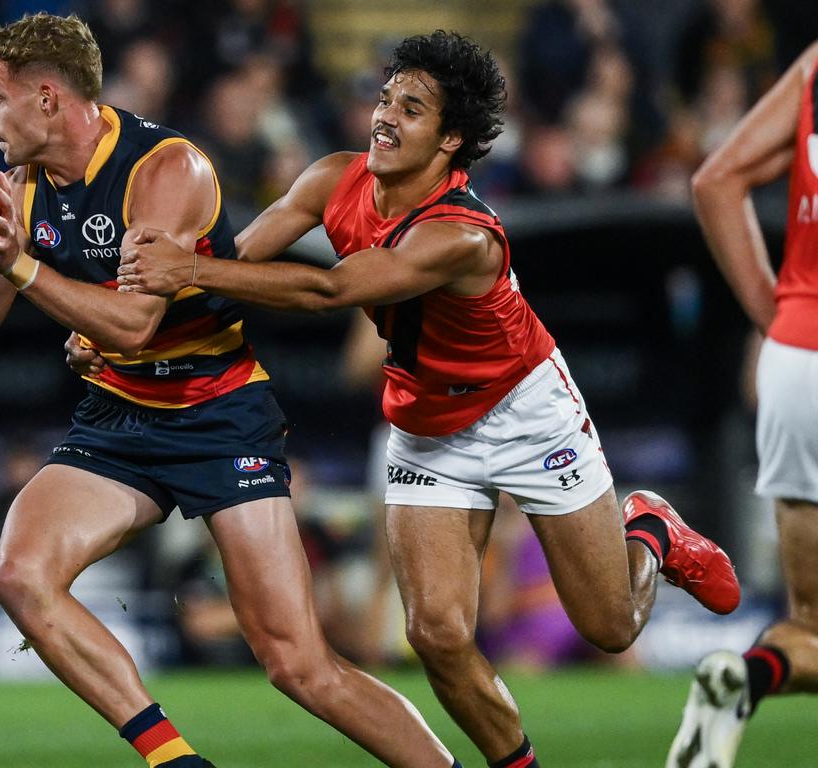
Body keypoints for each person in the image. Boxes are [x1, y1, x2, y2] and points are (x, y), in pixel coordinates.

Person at [104, 30, 743, 768]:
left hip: (525, 413)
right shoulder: (330, 179)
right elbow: (233, 263)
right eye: (385, 97)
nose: (384, 115)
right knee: (436, 636)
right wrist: (129, 329)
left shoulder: (464, 236)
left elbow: (330, 288)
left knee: (611, 629)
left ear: (453, 141)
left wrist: (184, 268)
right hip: (425, 425)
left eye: (411, 108)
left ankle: (650, 529)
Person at [0, 13, 463, 768]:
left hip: (217, 410)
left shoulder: (166, 169)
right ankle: (174, 759)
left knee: (297, 664)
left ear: (49, 98)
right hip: (120, 414)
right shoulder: (19, 187)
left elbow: (131, 323)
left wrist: (26, 270)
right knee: (20, 576)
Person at [663, 40, 818, 768]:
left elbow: (715, 180)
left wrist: (782, 322)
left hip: (798, 358)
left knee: (810, 625)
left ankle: (744, 677)